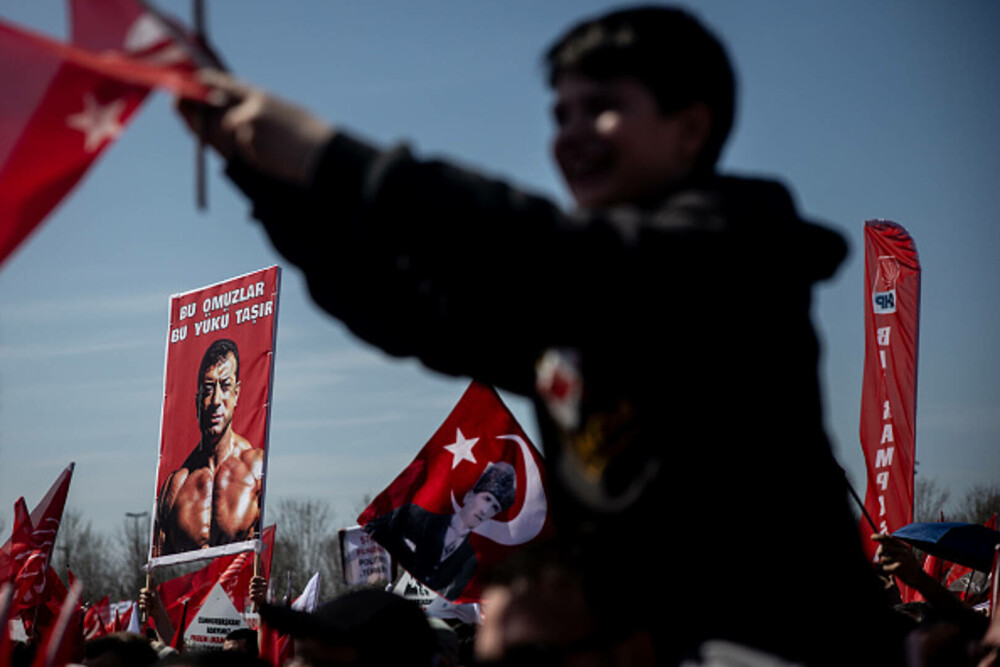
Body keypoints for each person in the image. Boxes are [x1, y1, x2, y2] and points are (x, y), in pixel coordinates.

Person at [176, 6, 901, 663]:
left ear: (691, 126)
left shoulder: (737, 250)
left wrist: (324, 154)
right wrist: (260, 173)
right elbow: (399, 308)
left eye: (603, 107)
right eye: (560, 115)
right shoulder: (569, 307)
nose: (572, 135)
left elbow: (547, 252)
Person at [155, 338, 263, 555]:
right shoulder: (175, 487)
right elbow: (159, 563)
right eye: (208, 389)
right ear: (197, 400)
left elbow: (272, 543)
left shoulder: (256, 468)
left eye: (225, 386)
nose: (216, 401)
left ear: (236, 393)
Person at [365, 462, 516, 600]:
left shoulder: (472, 553)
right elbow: (375, 527)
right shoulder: (422, 516)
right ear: (469, 496)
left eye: (495, 507)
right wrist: (408, 559)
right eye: (486, 499)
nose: (486, 510)